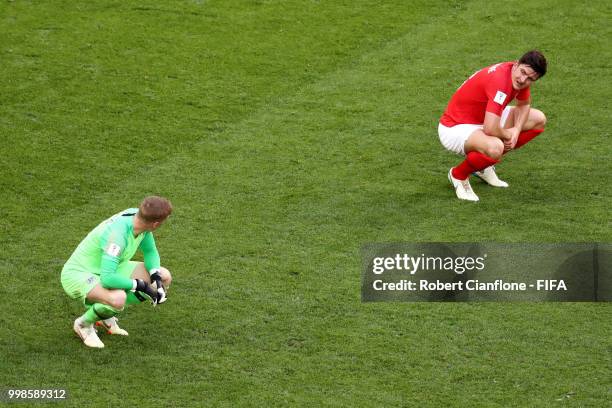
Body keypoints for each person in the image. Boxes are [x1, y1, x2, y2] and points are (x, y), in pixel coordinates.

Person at [61, 196, 173, 348]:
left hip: (107, 267)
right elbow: (107, 279)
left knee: (164, 276)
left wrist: (156, 279)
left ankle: (105, 314)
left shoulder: (138, 218)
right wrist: (143, 286)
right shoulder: (117, 237)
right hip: (79, 273)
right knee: (117, 298)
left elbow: (150, 251)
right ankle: (84, 324)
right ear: (156, 224)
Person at [438, 50, 548, 201]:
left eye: (530, 78)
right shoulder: (501, 82)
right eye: (523, 72)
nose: (523, 80)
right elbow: (490, 128)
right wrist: (511, 134)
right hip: (455, 127)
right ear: (516, 64)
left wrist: (516, 130)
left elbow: (524, 104)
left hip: (482, 117)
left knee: (538, 119)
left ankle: (482, 165)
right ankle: (459, 175)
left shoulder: (515, 74)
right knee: (495, 147)